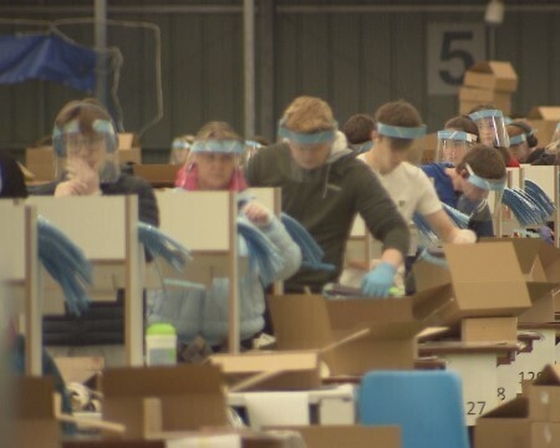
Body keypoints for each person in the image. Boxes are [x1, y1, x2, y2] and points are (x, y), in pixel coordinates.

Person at [148, 121, 300, 347]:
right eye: (210, 157)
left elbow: (287, 266)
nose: (218, 165)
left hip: (237, 338)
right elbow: (143, 263)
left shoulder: (252, 210)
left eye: (226, 158)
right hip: (172, 336)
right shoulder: (169, 207)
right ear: (195, 158)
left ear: (235, 161)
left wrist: (269, 226)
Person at [31, 98, 159, 361]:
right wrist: (55, 210)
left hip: (117, 334)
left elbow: (145, 251)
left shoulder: (136, 191)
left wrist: (94, 200)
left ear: (108, 145)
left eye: (92, 143)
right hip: (54, 334)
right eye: (74, 143)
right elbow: (25, 260)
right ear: (63, 148)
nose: (84, 152)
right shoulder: (41, 198)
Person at [245, 96, 410, 297]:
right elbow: (233, 214)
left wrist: (387, 267)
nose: (307, 156)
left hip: (315, 292)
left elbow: (395, 228)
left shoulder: (351, 173)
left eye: (315, 148)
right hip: (260, 289)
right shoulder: (265, 163)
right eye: (300, 148)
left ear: (331, 139)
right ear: (288, 139)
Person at [355, 101, 476, 274]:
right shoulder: (351, 175)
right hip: (349, 283)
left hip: (393, 281)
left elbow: (446, 230)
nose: (398, 156)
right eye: (393, 148)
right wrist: (378, 267)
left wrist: (460, 238)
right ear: (376, 137)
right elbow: (339, 243)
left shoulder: (413, 178)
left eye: (404, 149)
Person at [421, 144, 506, 238]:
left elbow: (485, 243)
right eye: (480, 189)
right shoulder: (424, 177)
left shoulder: (478, 206)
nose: (483, 196)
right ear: (464, 174)